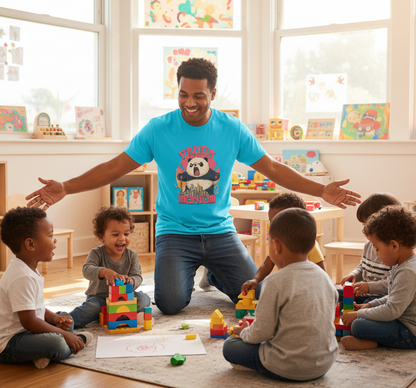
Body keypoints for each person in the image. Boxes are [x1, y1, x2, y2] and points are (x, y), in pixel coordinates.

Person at [26, 58, 361, 315]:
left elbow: (271, 168)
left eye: (199, 95)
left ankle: (213, 275)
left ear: (213, 94)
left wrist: (320, 190)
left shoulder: (232, 129)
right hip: (174, 232)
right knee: (170, 303)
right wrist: (66, 187)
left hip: (220, 231)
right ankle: (200, 272)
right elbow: (115, 166)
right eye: (184, 94)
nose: (190, 102)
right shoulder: (158, 129)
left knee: (256, 296)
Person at [223, 208, 338, 381]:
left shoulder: (275, 281)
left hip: (286, 365)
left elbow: (261, 333)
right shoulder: (326, 278)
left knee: (230, 346)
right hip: (324, 363)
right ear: (313, 244)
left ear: (276, 246)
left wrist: (243, 332)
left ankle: (261, 366)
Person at [0, 207, 92, 369]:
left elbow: (37, 308)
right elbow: (29, 321)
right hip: (10, 342)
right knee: (56, 342)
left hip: (27, 331)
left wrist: (56, 320)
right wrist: (63, 334)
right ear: (30, 244)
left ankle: (40, 353)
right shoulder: (21, 276)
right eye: (50, 235)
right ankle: (69, 344)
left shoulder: (28, 268)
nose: (55, 240)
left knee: (65, 318)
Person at [341, 206, 416, 351]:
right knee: (361, 318)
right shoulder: (402, 264)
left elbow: (392, 310)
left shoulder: (407, 272)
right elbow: (392, 297)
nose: (375, 253)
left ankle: (375, 342)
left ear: (394, 245)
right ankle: (373, 340)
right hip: (400, 320)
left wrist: (359, 314)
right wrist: (369, 306)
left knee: (358, 324)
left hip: (410, 333)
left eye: (377, 248)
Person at [69, 206, 151, 328]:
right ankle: (66, 320)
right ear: (101, 237)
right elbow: (86, 270)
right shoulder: (97, 253)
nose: (122, 238)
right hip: (100, 299)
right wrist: (105, 272)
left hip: (124, 299)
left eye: (126, 234)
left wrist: (131, 281)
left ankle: (119, 315)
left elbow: (137, 276)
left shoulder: (132, 255)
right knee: (92, 308)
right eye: (115, 234)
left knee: (143, 299)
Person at [241, 192, 326, 295]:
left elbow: (322, 274)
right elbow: (267, 264)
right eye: (271, 221)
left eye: (278, 221)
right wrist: (255, 279)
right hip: (286, 287)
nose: (273, 226)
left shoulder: (307, 244)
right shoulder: (277, 242)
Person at [338, 193, 401, 311]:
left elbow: (395, 283)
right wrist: (355, 274)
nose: (364, 229)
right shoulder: (368, 245)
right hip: (364, 294)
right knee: (336, 294)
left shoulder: (395, 251)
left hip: (381, 297)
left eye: (368, 225)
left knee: (365, 307)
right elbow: (363, 266)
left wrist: (369, 287)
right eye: (363, 224)